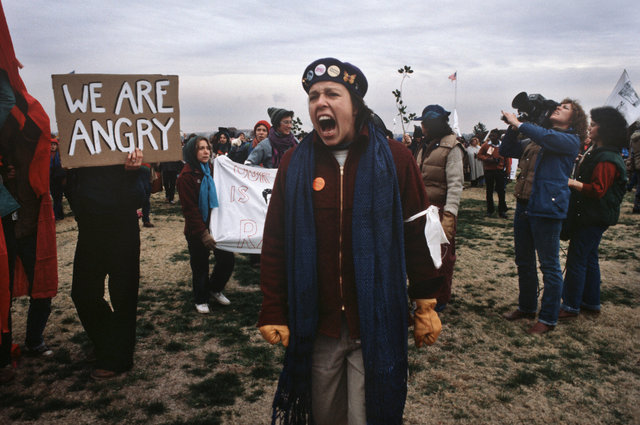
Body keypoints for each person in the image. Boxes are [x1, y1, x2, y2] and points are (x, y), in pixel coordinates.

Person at [258, 57, 442, 425]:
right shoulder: (294, 164)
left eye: (331, 94)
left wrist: (426, 301)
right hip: (318, 323)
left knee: (368, 416)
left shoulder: (396, 159)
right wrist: (273, 308)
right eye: (313, 96)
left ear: (355, 104)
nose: (319, 103)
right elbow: (276, 240)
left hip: (376, 321)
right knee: (324, 415)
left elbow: (419, 233)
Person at [500, 99, 587, 335]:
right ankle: (527, 307)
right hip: (525, 204)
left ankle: (547, 319)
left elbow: (546, 138)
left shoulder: (569, 140)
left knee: (549, 266)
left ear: (574, 119)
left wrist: (519, 122)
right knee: (524, 261)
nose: (559, 108)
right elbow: (506, 150)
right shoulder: (538, 137)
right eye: (558, 105)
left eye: (565, 108)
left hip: (547, 208)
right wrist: (513, 126)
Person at [68, 148, 146, 379]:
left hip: (122, 226)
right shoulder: (82, 152)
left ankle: (119, 358)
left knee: (123, 293)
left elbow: (140, 197)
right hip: (90, 226)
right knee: (82, 292)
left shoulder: (132, 153)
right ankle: (109, 341)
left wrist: (132, 172)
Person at [559, 107, 628, 319]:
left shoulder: (606, 158)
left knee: (577, 259)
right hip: (594, 216)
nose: (590, 127)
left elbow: (598, 190)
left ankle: (571, 305)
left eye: (595, 124)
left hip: (592, 216)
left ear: (605, 130)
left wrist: (573, 183)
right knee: (589, 258)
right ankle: (591, 302)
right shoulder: (601, 153)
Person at [412, 104, 464, 312]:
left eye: (424, 123)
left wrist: (449, 215)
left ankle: (440, 297)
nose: (421, 127)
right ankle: (423, 295)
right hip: (423, 210)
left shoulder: (452, 147)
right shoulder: (425, 145)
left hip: (441, 210)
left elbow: (455, 184)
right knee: (421, 256)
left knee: (441, 257)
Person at [177, 136, 235, 314]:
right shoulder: (186, 176)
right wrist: (203, 233)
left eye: (207, 148)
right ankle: (201, 298)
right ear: (191, 152)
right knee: (200, 265)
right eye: (200, 148)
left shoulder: (212, 170)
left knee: (227, 260)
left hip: (217, 227)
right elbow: (190, 210)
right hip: (197, 230)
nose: (205, 152)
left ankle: (214, 289)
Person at [477, 129, 510, 217]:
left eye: (493, 136)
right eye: (490, 136)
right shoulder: (487, 146)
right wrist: (487, 159)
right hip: (489, 171)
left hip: (499, 171)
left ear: (498, 137)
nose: (491, 137)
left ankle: (502, 210)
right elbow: (479, 155)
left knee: (501, 191)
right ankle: (490, 210)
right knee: (489, 191)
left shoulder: (503, 146)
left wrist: (508, 172)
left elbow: (507, 160)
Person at [49, 138, 66, 220]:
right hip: (51, 180)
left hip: (59, 179)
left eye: (54, 145)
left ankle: (57, 215)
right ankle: (59, 214)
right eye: (51, 144)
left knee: (58, 198)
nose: (52, 146)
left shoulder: (60, 155)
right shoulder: (47, 155)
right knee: (55, 197)